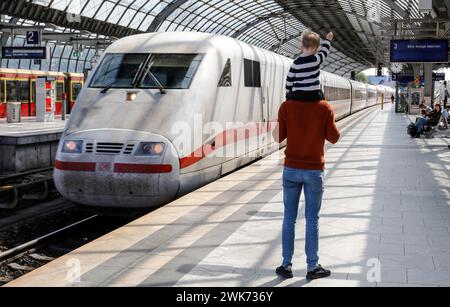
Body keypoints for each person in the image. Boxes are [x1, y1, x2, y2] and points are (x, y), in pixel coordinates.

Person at [274, 58, 341, 281]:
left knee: (288, 219)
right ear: (317, 85)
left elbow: (278, 137)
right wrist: (326, 118)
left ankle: (286, 265)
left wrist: (284, 119)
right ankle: (312, 267)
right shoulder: (325, 108)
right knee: (312, 220)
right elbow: (334, 138)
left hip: (291, 170)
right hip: (314, 171)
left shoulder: (286, 106)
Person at [285, 31, 334, 102]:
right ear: (317, 49)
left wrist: (288, 92)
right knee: (323, 101)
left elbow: (289, 79)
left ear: (301, 48)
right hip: (313, 93)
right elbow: (324, 51)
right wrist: (328, 39)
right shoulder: (316, 59)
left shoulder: (296, 62)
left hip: (298, 94)